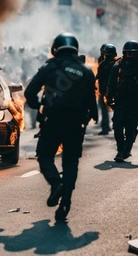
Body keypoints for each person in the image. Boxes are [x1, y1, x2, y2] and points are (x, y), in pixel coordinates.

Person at [24, 32, 98, 222]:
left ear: (55, 48)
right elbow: (92, 101)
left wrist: (36, 106)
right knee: (71, 162)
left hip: (53, 120)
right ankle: (66, 202)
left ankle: (56, 183)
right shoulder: (86, 70)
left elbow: (30, 91)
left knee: (45, 156)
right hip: (76, 124)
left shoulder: (51, 65)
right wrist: (92, 117)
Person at [105, 40, 138, 162]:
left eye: (133, 53)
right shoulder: (117, 67)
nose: (130, 56)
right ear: (124, 53)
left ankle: (126, 150)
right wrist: (109, 98)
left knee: (130, 128)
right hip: (120, 102)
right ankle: (120, 150)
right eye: (128, 53)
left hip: (135, 104)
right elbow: (111, 84)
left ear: (137, 54)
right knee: (117, 126)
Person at [95, 44, 118, 135]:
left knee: (105, 108)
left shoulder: (106, 64)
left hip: (107, 90)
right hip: (110, 89)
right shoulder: (116, 63)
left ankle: (106, 126)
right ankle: (109, 126)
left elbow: (99, 76)